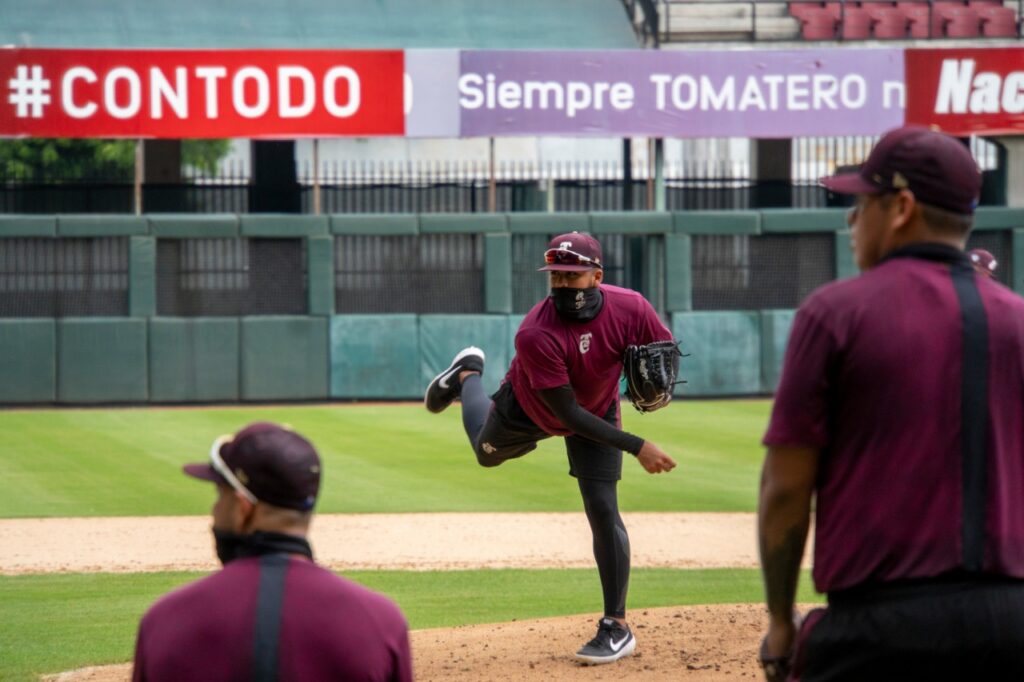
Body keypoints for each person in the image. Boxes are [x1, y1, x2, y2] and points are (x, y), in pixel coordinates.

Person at [758, 125, 1024, 682]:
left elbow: (785, 490)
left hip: (880, 631)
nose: (852, 221)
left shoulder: (834, 313)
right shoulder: (1018, 321)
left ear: (900, 207)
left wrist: (782, 620)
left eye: (862, 203)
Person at [423, 231, 678, 665]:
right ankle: (468, 374)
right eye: (556, 276)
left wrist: (658, 381)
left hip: (596, 412)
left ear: (596, 276)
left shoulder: (632, 306)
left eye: (572, 276)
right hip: (532, 407)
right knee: (485, 452)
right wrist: (638, 446)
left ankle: (616, 626)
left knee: (603, 509)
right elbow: (568, 416)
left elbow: (664, 349)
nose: (562, 285)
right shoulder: (536, 332)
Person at [133, 422, 412, 682]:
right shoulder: (379, 623)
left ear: (244, 509)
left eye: (220, 496)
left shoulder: (166, 622)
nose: (214, 511)